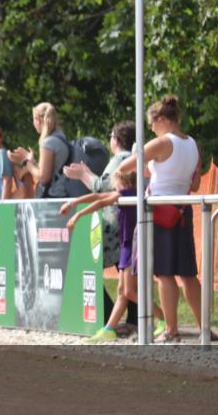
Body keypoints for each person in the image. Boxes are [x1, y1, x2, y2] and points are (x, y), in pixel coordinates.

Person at [117, 95, 206, 343]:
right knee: (188, 274)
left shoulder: (161, 143)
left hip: (160, 208)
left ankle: (171, 329)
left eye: (152, 124)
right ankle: (205, 327)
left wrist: (145, 158)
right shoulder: (192, 144)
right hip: (182, 209)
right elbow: (195, 183)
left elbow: (126, 167)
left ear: (162, 120)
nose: (151, 129)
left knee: (165, 273)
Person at [60, 169, 166, 343]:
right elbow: (98, 197)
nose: (113, 187)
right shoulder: (124, 193)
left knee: (129, 292)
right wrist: (74, 202)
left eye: (115, 183)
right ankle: (109, 329)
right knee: (122, 292)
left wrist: (78, 214)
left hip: (132, 246)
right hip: (126, 245)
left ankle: (162, 317)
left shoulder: (127, 193)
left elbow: (102, 202)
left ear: (123, 182)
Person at [64, 120, 140, 333]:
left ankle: (110, 318)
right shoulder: (133, 159)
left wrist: (82, 175)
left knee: (91, 269)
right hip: (124, 226)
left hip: (114, 228)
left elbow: (102, 187)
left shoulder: (121, 160)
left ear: (115, 139)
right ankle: (131, 320)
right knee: (129, 278)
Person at [9, 102, 70, 198]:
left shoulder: (48, 143)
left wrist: (25, 161)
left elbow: (43, 178)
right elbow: (52, 170)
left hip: (52, 198)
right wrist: (33, 162)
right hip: (63, 194)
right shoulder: (61, 137)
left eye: (33, 119)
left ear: (38, 120)